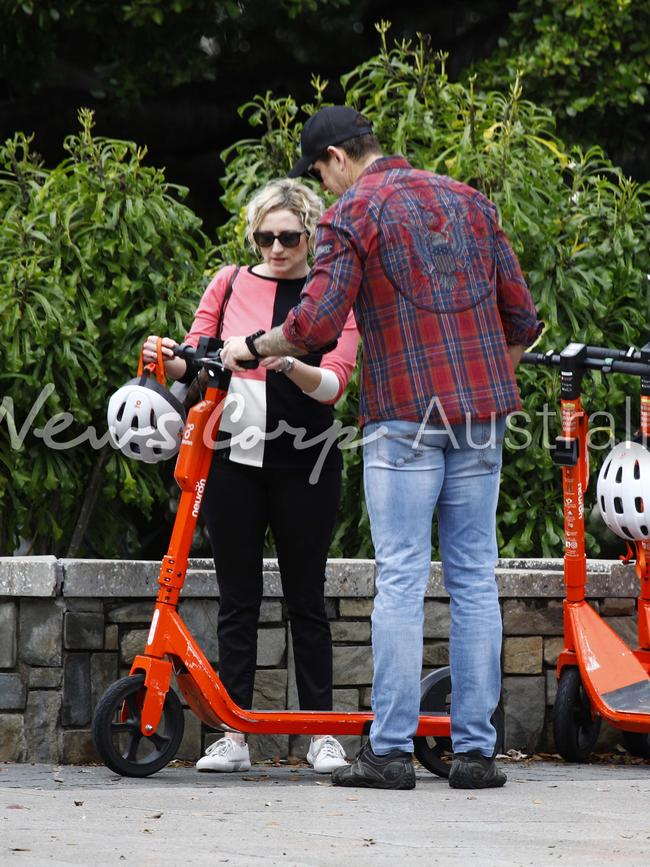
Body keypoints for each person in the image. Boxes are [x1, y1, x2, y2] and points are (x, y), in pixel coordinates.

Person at [221, 106, 543, 790]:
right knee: (474, 578)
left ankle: (390, 752)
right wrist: (485, 384)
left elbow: (313, 325)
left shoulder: (355, 213)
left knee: (400, 574)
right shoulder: (468, 202)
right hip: (481, 416)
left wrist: (250, 346)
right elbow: (524, 317)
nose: (325, 186)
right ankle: (476, 754)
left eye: (320, 171)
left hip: (403, 419)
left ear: (337, 157)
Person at [142, 178, 358, 774]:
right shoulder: (229, 281)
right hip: (233, 462)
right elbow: (195, 359)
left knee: (306, 600)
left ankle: (321, 731)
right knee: (237, 600)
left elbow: (336, 384)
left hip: (306, 464)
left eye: (288, 236)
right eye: (265, 236)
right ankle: (231, 733)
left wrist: (283, 361)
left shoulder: (330, 293)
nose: (276, 248)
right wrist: (167, 353)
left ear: (309, 235)